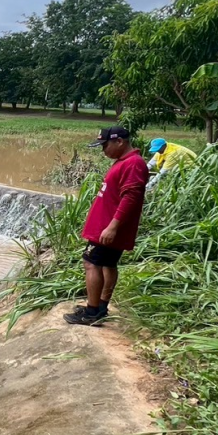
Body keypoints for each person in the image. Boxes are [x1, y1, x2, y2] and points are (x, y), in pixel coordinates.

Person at [63, 126, 148, 326]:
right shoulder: (125, 162)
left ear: (120, 141)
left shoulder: (134, 164)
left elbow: (131, 198)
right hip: (107, 228)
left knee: (91, 263)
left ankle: (91, 313)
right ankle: (100, 307)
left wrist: (112, 227)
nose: (103, 151)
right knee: (108, 265)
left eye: (105, 145)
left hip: (108, 230)